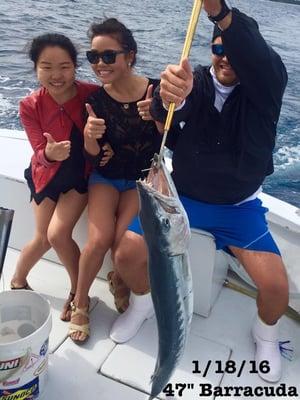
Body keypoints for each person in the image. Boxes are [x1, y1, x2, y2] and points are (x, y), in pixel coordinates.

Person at [149, 0, 289, 383]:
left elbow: (257, 57)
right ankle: (143, 305)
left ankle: (265, 335)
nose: (225, 57)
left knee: (276, 287)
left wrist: (219, 11)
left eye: (233, 49)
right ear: (209, 50)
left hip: (238, 208)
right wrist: (165, 103)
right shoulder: (195, 80)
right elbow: (172, 120)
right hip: (184, 201)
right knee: (127, 256)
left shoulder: (267, 86)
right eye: (217, 48)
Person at [68, 18, 162, 343]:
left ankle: (119, 278)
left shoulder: (157, 90)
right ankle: (80, 302)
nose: (99, 64)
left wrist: (160, 118)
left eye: (109, 56)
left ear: (130, 56)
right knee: (98, 240)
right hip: (106, 178)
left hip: (139, 180)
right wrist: (89, 137)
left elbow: (174, 141)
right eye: (93, 57)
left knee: (123, 245)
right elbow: (93, 156)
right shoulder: (95, 101)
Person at [10, 33, 112, 321]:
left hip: (78, 177)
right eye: (47, 66)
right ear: (36, 68)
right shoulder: (30, 105)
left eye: (64, 66)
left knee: (57, 234)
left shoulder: (91, 93)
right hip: (45, 175)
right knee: (42, 238)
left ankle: (76, 293)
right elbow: (38, 151)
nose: (56, 75)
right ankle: (17, 281)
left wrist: (110, 149)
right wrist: (50, 154)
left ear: (75, 66)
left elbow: (113, 124)